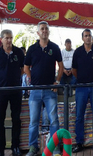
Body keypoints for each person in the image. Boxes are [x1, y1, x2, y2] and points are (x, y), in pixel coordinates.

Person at [24, 21, 63, 156]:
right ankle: (33, 148)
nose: (44, 30)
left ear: (48, 31)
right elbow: (26, 67)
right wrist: (31, 81)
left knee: (54, 120)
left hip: (50, 90)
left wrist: (57, 81)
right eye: (42, 29)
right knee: (34, 121)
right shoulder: (32, 49)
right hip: (35, 90)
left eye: (46, 28)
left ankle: (54, 147)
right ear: (38, 32)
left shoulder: (55, 47)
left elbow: (61, 66)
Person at [0, 30, 25, 156]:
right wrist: (1, 81)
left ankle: (15, 146)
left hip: (16, 91)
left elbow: (23, 69)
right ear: (2, 39)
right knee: (0, 120)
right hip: (1, 91)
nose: (9, 41)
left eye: (11, 38)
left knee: (16, 119)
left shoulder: (19, 53)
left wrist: (15, 79)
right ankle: (0, 148)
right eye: (7, 38)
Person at [71, 29, 93, 153]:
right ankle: (79, 142)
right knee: (79, 116)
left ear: (92, 38)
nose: (88, 38)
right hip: (81, 87)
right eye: (85, 36)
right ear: (82, 38)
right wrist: (82, 79)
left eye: (89, 36)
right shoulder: (77, 52)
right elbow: (74, 70)